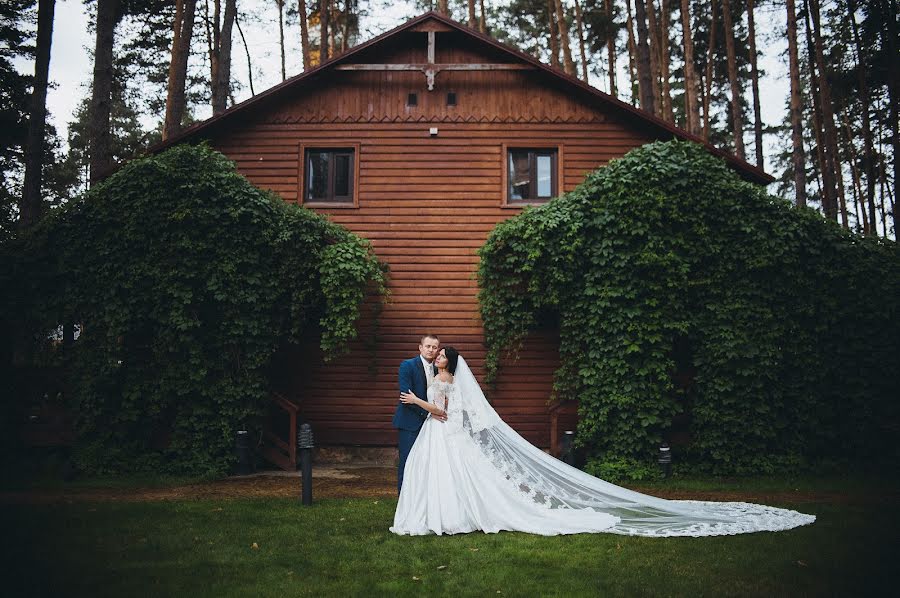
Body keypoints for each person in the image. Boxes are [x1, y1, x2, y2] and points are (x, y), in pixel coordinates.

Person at [390, 348, 816, 537]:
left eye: (443, 353)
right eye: (437, 353)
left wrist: (419, 402)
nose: (438, 355)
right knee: (456, 478)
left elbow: (447, 412)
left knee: (461, 478)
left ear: (450, 362)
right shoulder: (439, 375)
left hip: (444, 430)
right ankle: (450, 517)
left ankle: (452, 518)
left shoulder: (446, 380)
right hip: (442, 437)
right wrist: (424, 400)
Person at [392, 334, 446, 493]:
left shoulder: (439, 369)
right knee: (408, 462)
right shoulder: (407, 365)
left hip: (432, 427)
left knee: (427, 464)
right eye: (428, 346)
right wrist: (429, 414)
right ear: (420, 347)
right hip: (410, 423)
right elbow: (405, 397)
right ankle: (403, 501)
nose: (431, 349)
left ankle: (421, 499)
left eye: (434, 347)